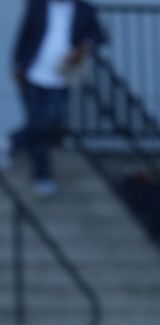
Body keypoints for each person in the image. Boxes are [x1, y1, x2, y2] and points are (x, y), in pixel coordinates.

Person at [8, 0, 108, 196]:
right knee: (37, 124)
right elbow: (25, 36)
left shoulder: (83, 9)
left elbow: (99, 35)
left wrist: (83, 47)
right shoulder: (37, 6)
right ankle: (42, 176)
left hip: (60, 76)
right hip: (33, 73)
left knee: (48, 121)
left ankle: (11, 143)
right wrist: (18, 65)